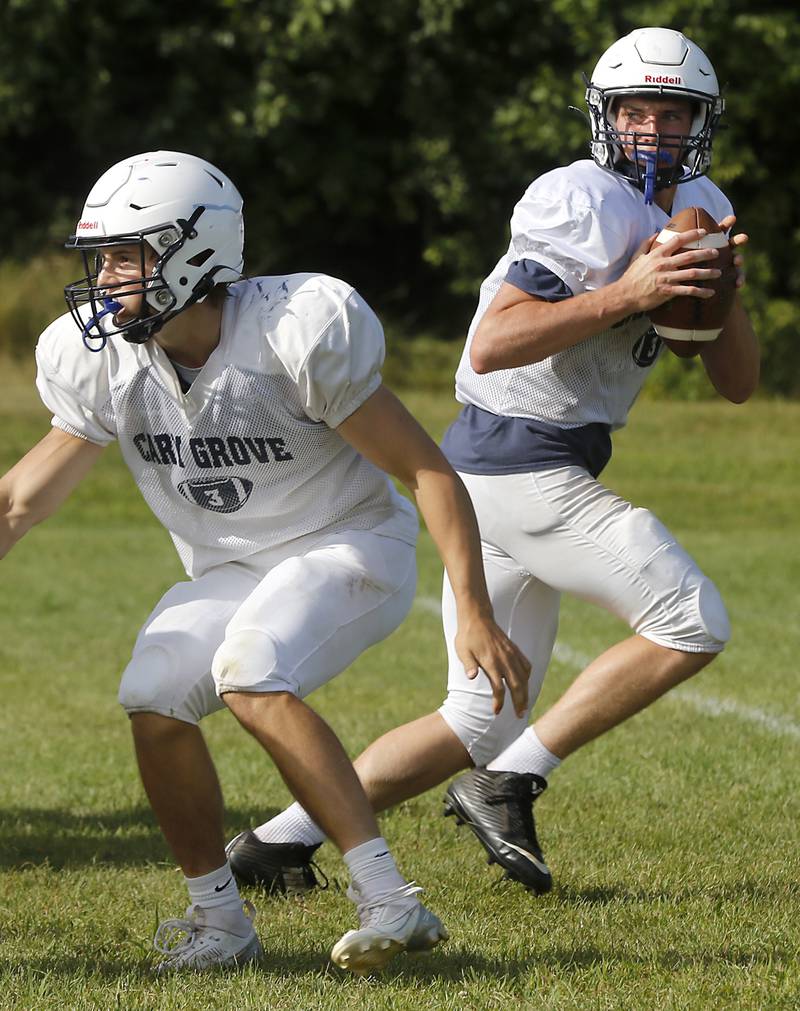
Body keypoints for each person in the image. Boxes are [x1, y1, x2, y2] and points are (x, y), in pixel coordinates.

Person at [227, 27, 759, 898]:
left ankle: (275, 843)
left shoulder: (703, 198)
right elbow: (495, 338)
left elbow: (736, 382)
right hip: (518, 462)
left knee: (480, 714)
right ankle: (512, 778)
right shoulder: (578, 198)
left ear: (703, 121)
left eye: (675, 112)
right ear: (607, 115)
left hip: (523, 470)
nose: (656, 129)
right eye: (638, 110)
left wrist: (723, 290)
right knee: (689, 619)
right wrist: (630, 292)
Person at [0, 150, 531, 972]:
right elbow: (18, 499)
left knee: (251, 670)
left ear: (196, 251)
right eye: (100, 257)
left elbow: (426, 469)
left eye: (126, 255)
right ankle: (221, 920)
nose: (104, 278)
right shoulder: (102, 356)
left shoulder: (295, 329)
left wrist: (473, 606)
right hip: (230, 566)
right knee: (151, 696)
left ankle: (390, 898)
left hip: (348, 541)